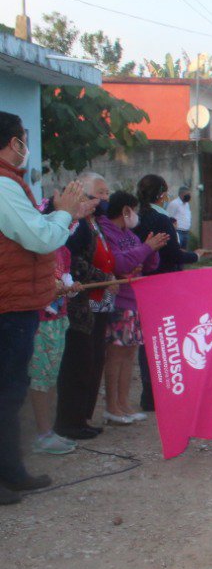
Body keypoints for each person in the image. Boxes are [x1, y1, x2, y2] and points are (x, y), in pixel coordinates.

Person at [0, 113, 93, 504]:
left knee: (10, 394)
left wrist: (60, 214)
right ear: (14, 143)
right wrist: (64, 212)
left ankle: (12, 472)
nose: (27, 146)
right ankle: (8, 475)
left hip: (15, 301)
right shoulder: (4, 184)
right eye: (24, 139)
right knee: (7, 394)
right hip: (9, 306)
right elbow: (39, 238)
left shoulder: (11, 183)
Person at [135, 174, 208, 412]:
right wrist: (195, 255)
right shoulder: (161, 219)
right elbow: (173, 254)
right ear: (162, 194)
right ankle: (162, 390)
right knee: (164, 339)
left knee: (147, 341)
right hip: (164, 283)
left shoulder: (137, 217)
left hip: (143, 283)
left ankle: (149, 393)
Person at [54, 174, 119, 440]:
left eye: (106, 193)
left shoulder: (94, 222)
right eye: (99, 193)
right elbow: (74, 262)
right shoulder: (76, 224)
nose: (104, 199)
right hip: (77, 303)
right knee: (78, 363)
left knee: (92, 359)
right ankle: (70, 422)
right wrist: (104, 278)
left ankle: (82, 417)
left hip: (94, 299)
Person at [98, 190, 166, 425]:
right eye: (134, 210)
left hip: (135, 300)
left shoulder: (128, 234)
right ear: (126, 210)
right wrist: (144, 249)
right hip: (119, 302)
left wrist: (152, 249)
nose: (136, 215)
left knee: (129, 355)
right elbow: (119, 263)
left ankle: (124, 403)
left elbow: (146, 264)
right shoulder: (106, 231)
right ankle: (112, 406)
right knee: (115, 356)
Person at [27, 201, 82, 455]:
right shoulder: (37, 248)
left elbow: (66, 280)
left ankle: (48, 430)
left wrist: (71, 288)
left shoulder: (63, 251)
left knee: (51, 376)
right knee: (40, 377)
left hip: (59, 318)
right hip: (40, 321)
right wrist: (53, 289)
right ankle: (41, 433)